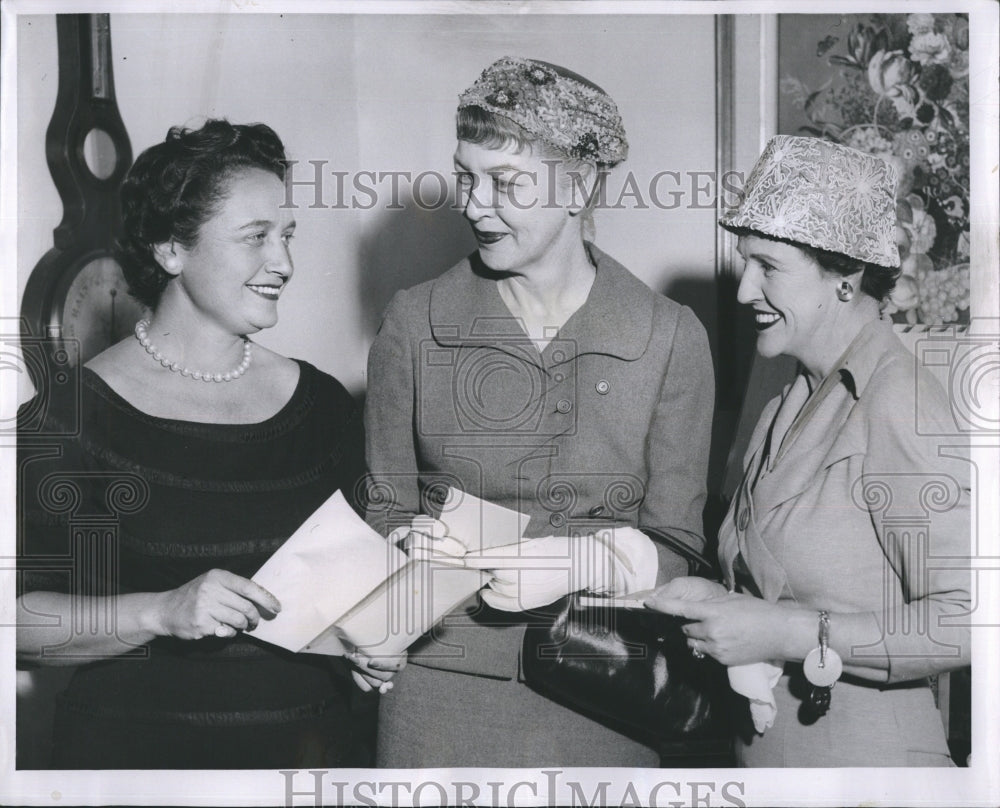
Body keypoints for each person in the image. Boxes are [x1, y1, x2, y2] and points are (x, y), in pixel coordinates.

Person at [364, 56, 715, 767]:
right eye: (466, 176)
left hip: (607, 687)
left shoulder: (669, 336)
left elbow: (682, 552)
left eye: (505, 183)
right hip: (439, 684)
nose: (473, 204)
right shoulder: (413, 322)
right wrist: (407, 543)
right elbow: (384, 508)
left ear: (578, 186)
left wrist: (582, 562)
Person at [16, 119, 383, 768]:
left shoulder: (322, 407)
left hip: (312, 762)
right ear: (169, 250)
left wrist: (376, 640)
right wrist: (161, 611)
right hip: (139, 767)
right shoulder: (68, 418)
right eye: (256, 238)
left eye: (287, 236)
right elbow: (20, 623)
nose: (285, 264)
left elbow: (351, 593)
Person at [647, 135, 972, 767]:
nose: (744, 292)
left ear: (846, 280)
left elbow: (972, 619)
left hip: (868, 763)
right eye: (746, 263)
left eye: (769, 267)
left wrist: (789, 633)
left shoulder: (897, 399)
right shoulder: (786, 396)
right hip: (773, 760)